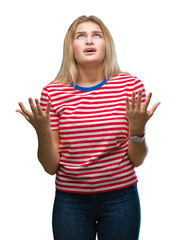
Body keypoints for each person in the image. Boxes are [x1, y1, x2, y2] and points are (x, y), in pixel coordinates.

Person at [16, 15, 160, 240]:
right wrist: (42, 131)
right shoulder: (53, 93)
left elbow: (138, 160)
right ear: (70, 47)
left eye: (97, 35)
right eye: (80, 36)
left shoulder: (129, 86)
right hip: (70, 202)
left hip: (120, 199)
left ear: (107, 45)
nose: (89, 41)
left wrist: (138, 130)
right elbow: (51, 167)